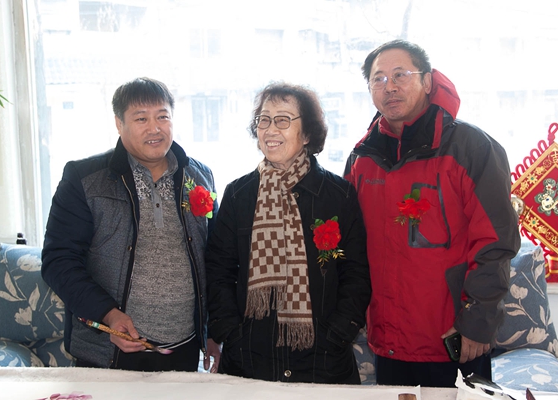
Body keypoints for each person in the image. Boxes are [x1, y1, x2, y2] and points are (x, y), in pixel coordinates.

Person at [344, 39, 521, 387]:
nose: (389, 86)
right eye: (378, 79)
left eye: (401, 74)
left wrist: (477, 321)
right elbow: (350, 245)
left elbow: (495, 242)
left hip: (455, 339)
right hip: (388, 342)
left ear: (427, 81)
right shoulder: (362, 158)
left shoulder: (471, 148)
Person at [41, 77, 221, 372]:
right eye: (141, 118)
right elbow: (58, 262)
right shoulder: (84, 179)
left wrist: (214, 330)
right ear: (118, 123)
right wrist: (108, 315)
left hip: (185, 349)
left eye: (162, 116)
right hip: (109, 351)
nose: (154, 128)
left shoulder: (200, 176)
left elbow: (215, 260)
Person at [205, 82, 371, 384]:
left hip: (324, 360)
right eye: (264, 120)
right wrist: (231, 333)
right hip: (249, 360)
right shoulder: (239, 194)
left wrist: (337, 334)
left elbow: (356, 274)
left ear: (306, 134)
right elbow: (219, 270)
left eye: (282, 120)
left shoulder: (338, 195)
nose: (270, 130)